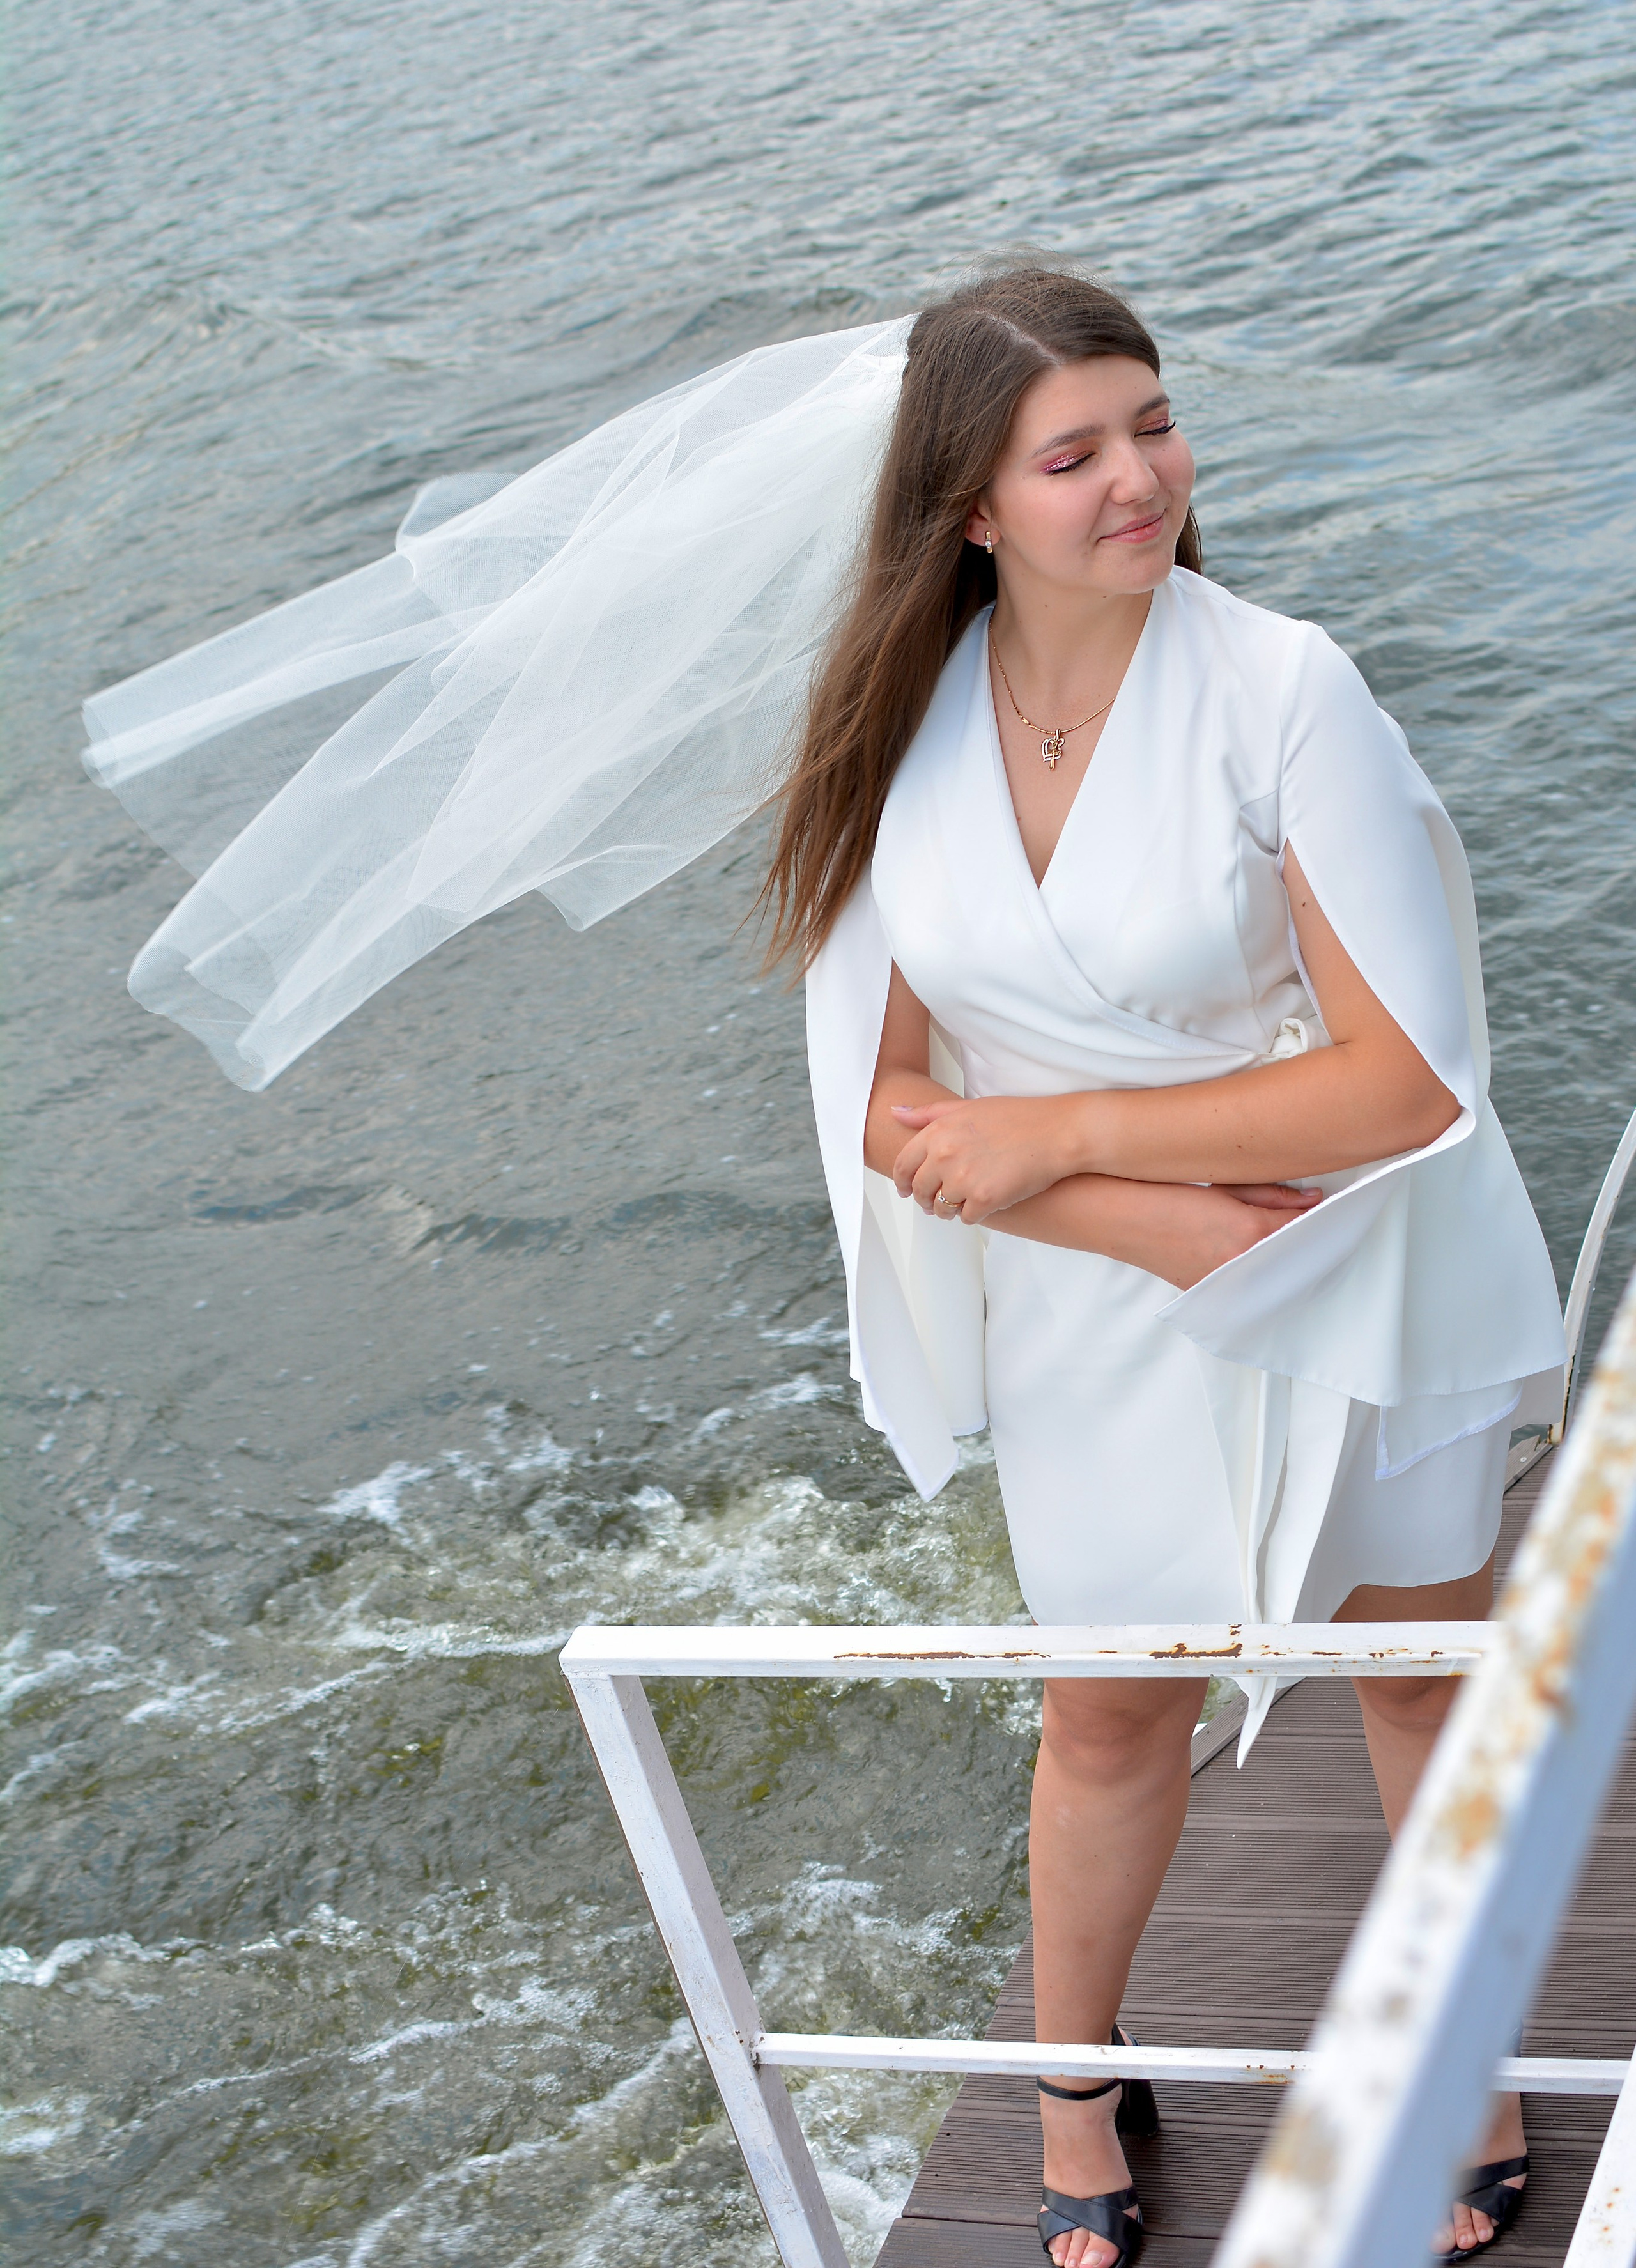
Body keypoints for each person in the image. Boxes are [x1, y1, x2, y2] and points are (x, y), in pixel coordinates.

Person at [84, 262, 1565, 2268]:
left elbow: (1402, 1086)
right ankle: (1075, 2078)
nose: (1141, 477)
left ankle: (1468, 2061)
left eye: (1153, 423)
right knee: (1112, 1711)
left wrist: (1068, 1130)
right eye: (1077, 452)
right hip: (1099, 1298)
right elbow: (881, 1105)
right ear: (970, 504)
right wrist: (1126, 1215)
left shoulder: (1280, 690)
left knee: (1408, 1685)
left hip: (1365, 1258)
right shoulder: (902, 729)